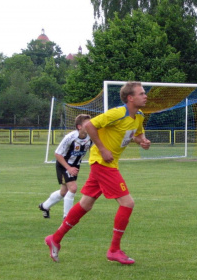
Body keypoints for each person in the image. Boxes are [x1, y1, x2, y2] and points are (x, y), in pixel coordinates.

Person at [44, 81, 151, 265]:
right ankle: (114, 250)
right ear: (130, 98)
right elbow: (90, 125)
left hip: (108, 163)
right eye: (141, 93)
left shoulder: (139, 116)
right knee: (127, 203)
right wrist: (102, 149)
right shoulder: (117, 112)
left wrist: (142, 141)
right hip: (103, 163)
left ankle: (55, 238)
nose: (145, 96)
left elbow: (136, 134)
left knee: (85, 204)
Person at [38, 114, 92, 219]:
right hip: (64, 164)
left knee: (64, 192)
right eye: (87, 123)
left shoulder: (91, 136)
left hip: (75, 165)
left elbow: (93, 149)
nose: (90, 125)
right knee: (73, 188)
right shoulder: (70, 137)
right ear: (79, 126)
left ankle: (44, 206)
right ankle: (67, 217)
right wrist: (69, 168)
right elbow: (58, 154)